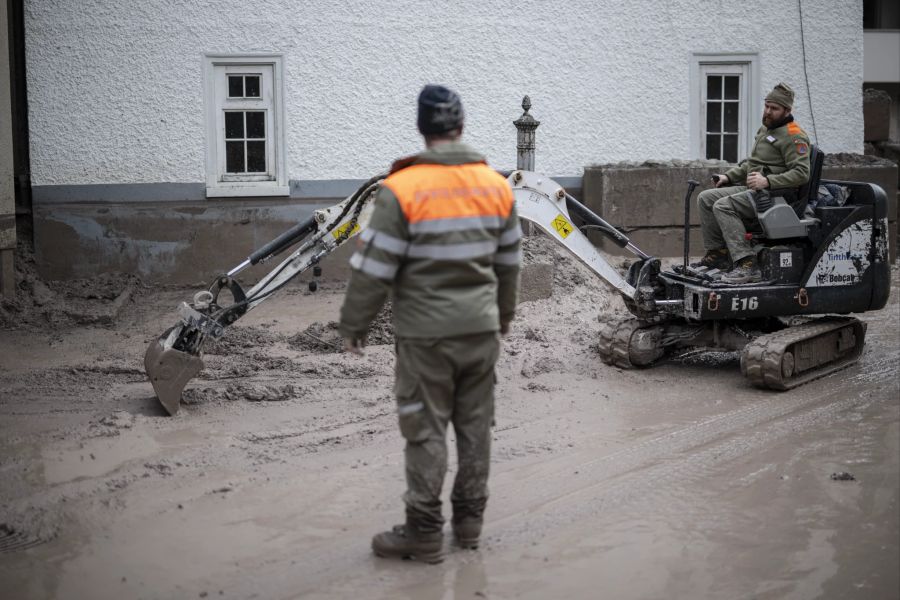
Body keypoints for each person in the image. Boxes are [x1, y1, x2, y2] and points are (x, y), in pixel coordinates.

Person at [337, 84, 522, 563]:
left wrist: (355, 324)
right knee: (476, 426)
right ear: (461, 126)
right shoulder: (497, 187)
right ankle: (469, 524)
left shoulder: (401, 189)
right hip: (481, 331)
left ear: (423, 128)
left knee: (426, 428)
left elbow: (375, 267)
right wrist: (502, 316)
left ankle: (422, 530)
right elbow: (509, 264)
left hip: (425, 336)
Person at [694, 82, 811, 284]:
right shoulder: (766, 129)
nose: (768, 111)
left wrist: (768, 181)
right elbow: (753, 163)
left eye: (774, 108)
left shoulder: (794, 136)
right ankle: (719, 254)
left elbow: (802, 173)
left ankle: (747, 264)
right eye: (767, 106)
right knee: (705, 198)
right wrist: (729, 177)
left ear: (787, 110)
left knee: (723, 206)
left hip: (777, 197)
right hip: (755, 189)